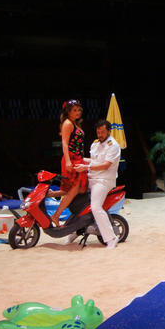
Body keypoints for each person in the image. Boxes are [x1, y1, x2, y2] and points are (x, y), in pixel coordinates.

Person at [73, 120, 121, 249]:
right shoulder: (95, 144)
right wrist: (80, 160)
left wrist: (86, 166)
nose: (100, 134)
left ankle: (111, 238)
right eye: (98, 132)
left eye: (103, 132)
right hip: (91, 178)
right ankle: (74, 231)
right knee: (74, 199)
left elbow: (105, 165)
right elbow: (94, 161)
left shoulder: (113, 146)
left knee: (95, 207)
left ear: (109, 131)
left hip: (103, 181)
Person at [50, 99, 87, 227]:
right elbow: (65, 143)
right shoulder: (68, 123)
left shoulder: (75, 123)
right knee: (74, 188)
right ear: (68, 112)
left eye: (79, 110)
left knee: (75, 189)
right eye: (74, 110)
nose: (77, 112)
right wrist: (67, 161)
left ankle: (50, 194)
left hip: (78, 158)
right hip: (71, 158)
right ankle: (56, 215)